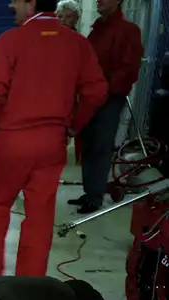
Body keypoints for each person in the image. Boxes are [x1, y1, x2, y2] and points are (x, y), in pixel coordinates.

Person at [0, 0, 107, 278]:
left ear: (31, 3)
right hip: (51, 143)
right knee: (40, 218)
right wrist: (72, 127)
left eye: (16, 0)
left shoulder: (10, 41)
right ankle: (30, 287)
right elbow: (96, 91)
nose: (10, 5)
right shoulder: (76, 43)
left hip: (10, 142)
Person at [70, 0, 144, 214]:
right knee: (88, 143)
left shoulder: (128, 31)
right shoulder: (97, 30)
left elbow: (129, 68)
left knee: (100, 145)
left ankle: (94, 198)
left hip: (109, 97)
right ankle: (90, 191)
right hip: (89, 96)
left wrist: (104, 89)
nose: (98, 1)